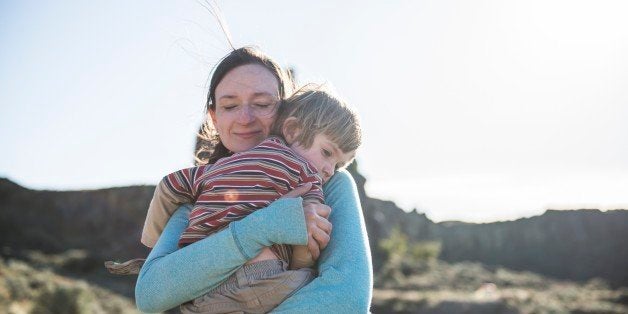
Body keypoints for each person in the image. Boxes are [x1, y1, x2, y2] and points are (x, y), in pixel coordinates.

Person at [134, 47, 372, 313]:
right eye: (229, 105)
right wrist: (266, 225)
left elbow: (348, 297)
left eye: (261, 104)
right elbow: (150, 295)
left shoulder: (330, 184)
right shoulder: (198, 198)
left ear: (285, 112)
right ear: (215, 118)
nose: (245, 118)